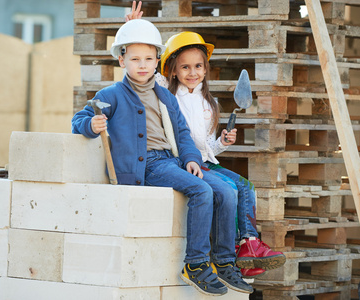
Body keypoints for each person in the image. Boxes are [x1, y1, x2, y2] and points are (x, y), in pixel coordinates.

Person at [72, 19, 253, 295]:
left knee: (226, 193)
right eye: (134, 59)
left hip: (174, 161)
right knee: (202, 190)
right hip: (147, 166)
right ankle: (195, 264)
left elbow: (182, 134)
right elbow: (80, 118)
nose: (142, 65)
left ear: (157, 61)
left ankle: (225, 261)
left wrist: (191, 158)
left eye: (148, 58)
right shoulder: (112, 95)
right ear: (122, 61)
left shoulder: (165, 96)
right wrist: (91, 125)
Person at [125, 1, 286, 279]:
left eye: (198, 66)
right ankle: (232, 252)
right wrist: (131, 30)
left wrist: (222, 142)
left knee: (245, 186)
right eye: (184, 67)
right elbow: (143, 65)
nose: (192, 72)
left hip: (206, 160)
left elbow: (208, 147)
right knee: (228, 190)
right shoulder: (166, 93)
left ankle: (249, 243)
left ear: (205, 67)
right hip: (183, 161)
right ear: (172, 70)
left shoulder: (208, 103)